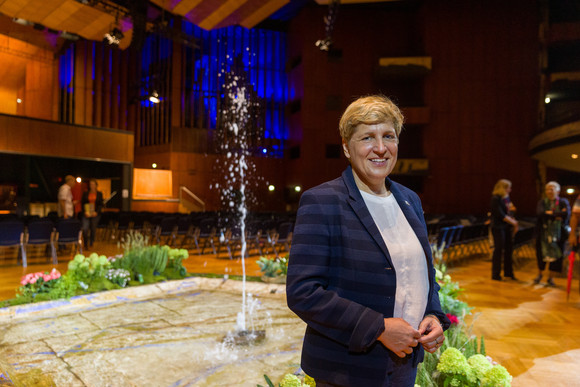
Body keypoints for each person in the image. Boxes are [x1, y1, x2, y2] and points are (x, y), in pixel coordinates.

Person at [286, 95, 449, 387]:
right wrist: (378, 328)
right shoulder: (322, 201)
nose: (380, 148)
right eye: (367, 138)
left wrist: (434, 315)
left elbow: (423, 274)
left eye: (389, 136)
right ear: (347, 148)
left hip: (404, 363)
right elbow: (303, 292)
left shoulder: (410, 200)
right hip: (349, 369)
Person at [534, 182, 570, 286]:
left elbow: (566, 214)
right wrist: (556, 215)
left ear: (558, 191)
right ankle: (539, 274)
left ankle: (551, 278)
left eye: (552, 189)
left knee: (557, 256)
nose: (550, 191)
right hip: (543, 234)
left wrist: (549, 214)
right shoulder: (542, 202)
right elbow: (540, 214)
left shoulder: (563, 202)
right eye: (548, 189)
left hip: (558, 235)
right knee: (541, 255)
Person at [490, 179, 518, 281]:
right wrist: (513, 222)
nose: (510, 190)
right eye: (508, 188)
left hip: (507, 227)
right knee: (498, 250)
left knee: (509, 250)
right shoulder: (495, 199)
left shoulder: (506, 199)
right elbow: (500, 214)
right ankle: (496, 274)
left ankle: (508, 273)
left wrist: (512, 219)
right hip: (498, 227)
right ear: (504, 188)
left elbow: (510, 211)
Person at [81, 179, 104, 249]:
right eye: (90, 184)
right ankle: (85, 243)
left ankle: (91, 242)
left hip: (95, 213)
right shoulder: (85, 193)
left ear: (96, 185)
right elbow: (83, 203)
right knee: (85, 228)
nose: (92, 186)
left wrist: (96, 212)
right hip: (86, 213)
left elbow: (101, 204)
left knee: (93, 228)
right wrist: (85, 211)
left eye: (93, 184)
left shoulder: (99, 194)